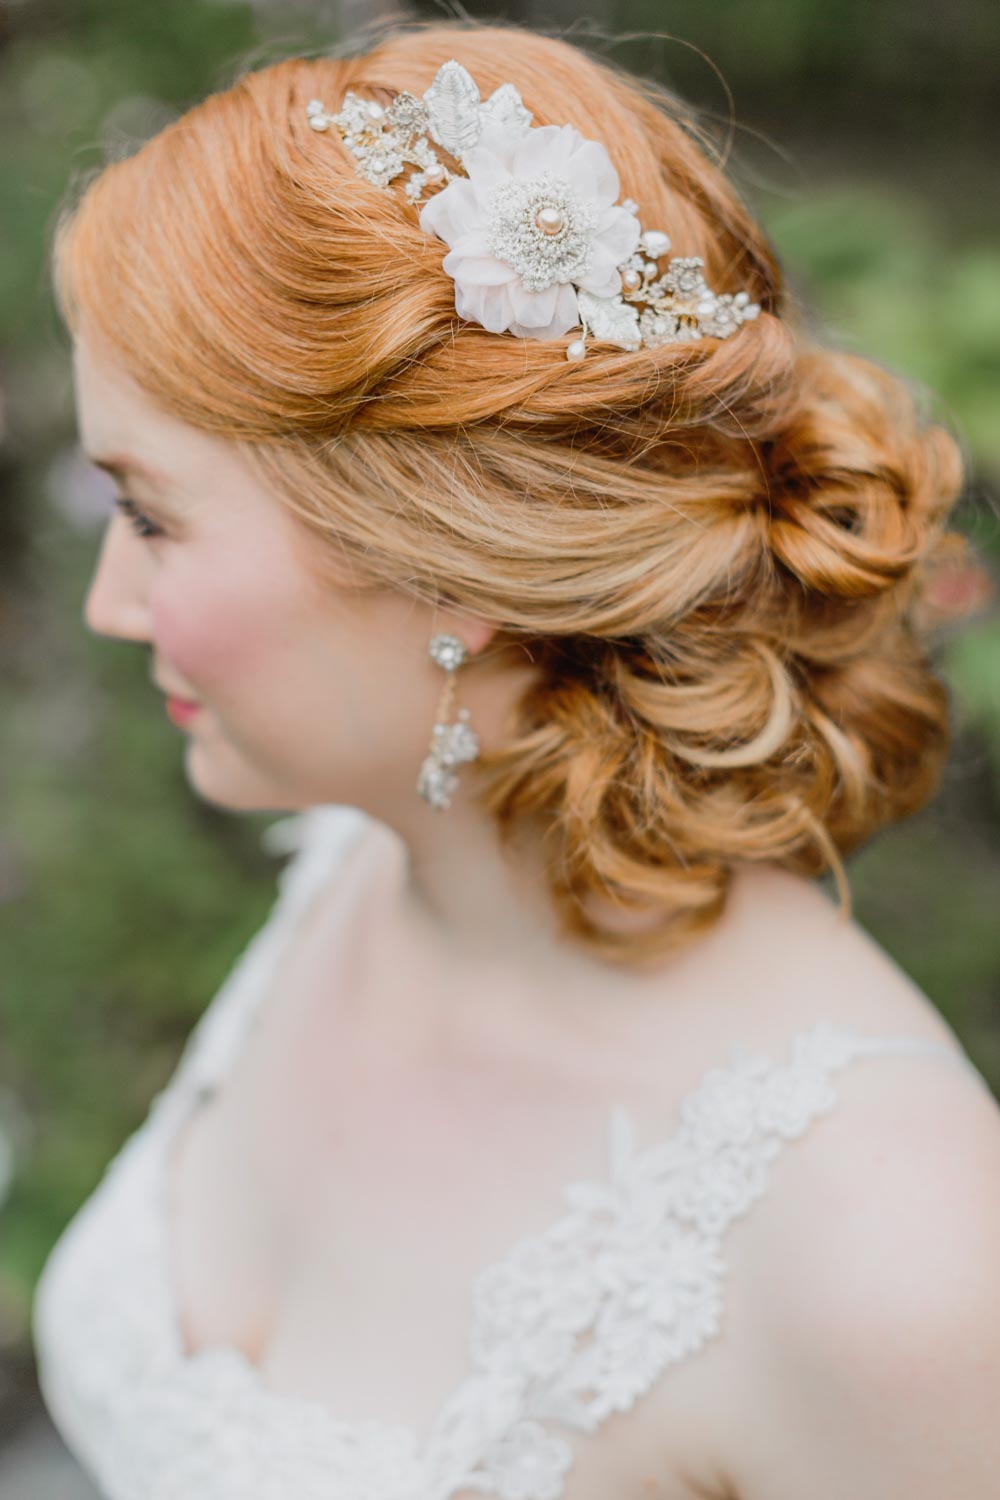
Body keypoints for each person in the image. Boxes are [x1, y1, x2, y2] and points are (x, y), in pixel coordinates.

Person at [31, 19, 1000, 1500]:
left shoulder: (897, 1258)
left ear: (448, 561)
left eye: (153, 516)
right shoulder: (360, 860)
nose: (112, 601)